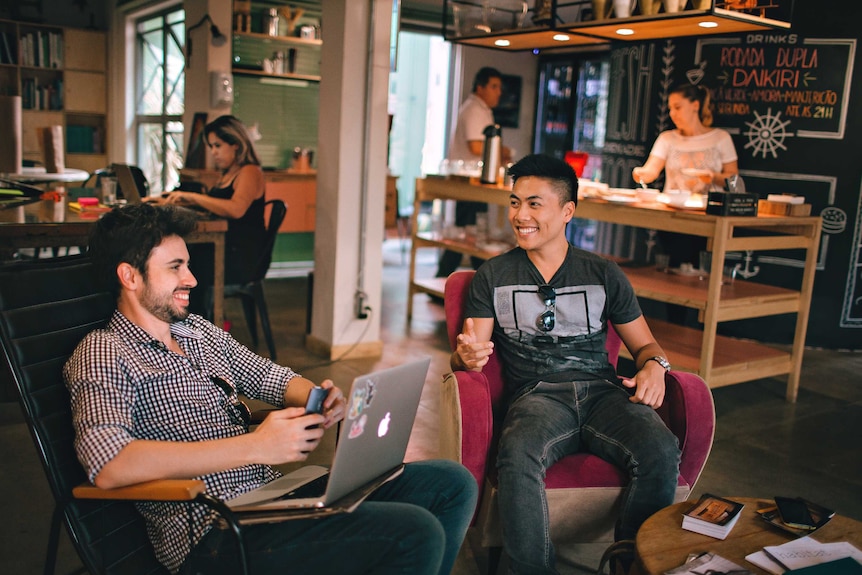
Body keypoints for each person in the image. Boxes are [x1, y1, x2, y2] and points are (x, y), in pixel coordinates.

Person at [64, 203, 478, 575]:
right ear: (129, 275)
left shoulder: (195, 332)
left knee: (451, 483)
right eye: (175, 267)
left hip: (272, 501)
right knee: (413, 532)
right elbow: (109, 464)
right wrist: (255, 447)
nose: (191, 277)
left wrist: (318, 398)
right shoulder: (105, 351)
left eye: (187, 264)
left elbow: (269, 377)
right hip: (214, 534)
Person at [451, 154, 681, 575]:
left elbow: (646, 345)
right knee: (518, 452)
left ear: (567, 211)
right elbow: (471, 350)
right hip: (537, 396)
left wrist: (655, 366)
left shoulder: (603, 273)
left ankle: (631, 565)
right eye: (515, 202)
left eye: (534, 204)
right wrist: (464, 356)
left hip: (604, 393)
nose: (520, 216)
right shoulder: (493, 275)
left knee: (661, 449)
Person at [157, 115, 267, 317]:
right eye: (211, 146)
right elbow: (217, 205)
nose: (214, 152)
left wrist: (192, 197)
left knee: (186, 264)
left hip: (241, 256)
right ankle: (184, 324)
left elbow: (235, 209)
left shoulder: (250, 172)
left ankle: (194, 327)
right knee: (181, 258)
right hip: (226, 246)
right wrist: (176, 200)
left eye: (218, 145)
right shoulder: (228, 173)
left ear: (235, 144)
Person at [632, 83, 739, 272]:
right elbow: (651, 171)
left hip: (708, 216)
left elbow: (734, 179)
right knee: (672, 273)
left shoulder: (720, 138)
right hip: (672, 215)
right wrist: (641, 173)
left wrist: (713, 177)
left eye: (678, 107)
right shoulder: (667, 138)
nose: (672, 113)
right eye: (670, 108)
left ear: (695, 105)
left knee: (703, 273)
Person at [436, 66, 512, 280]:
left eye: (499, 87)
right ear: (480, 87)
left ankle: (473, 280)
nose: (498, 92)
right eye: (494, 86)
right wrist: (503, 150)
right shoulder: (474, 110)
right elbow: (477, 147)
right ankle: (451, 279)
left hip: (476, 183)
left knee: (472, 233)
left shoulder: (481, 109)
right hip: (470, 182)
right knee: (469, 234)